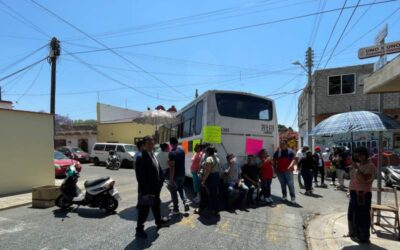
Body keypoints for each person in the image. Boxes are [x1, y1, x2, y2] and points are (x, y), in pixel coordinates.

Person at [135, 136, 169, 239]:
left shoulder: (153, 154)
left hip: (156, 188)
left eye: (152, 143)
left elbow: (158, 169)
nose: (151, 145)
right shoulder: (141, 157)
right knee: (144, 211)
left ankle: (158, 222)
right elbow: (140, 177)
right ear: (144, 145)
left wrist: (161, 180)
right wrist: (145, 193)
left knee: (156, 206)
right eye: (148, 143)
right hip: (147, 190)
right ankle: (139, 229)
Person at [347, 147, 376, 243]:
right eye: (356, 155)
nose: (358, 157)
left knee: (362, 215)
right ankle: (353, 233)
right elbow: (352, 179)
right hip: (353, 192)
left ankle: (363, 237)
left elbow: (365, 179)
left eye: (360, 155)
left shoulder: (370, 166)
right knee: (352, 214)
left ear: (365, 154)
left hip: (362, 194)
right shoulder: (359, 164)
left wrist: (357, 169)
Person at [196, 146, 221, 216]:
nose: (205, 152)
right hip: (216, 177)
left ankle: (201, 209)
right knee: (214, 195)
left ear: (208, 152)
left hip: (210, 178)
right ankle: (216, 210)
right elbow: (219, 170)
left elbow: (207, 171)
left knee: (203, 193)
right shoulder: (217, 158)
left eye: (206, 151)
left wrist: (203, 181)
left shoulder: (209, 159)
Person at [168, 137, 189, 214]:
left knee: (173, 191)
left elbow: (172, 167)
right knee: (181, 188)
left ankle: (176, 209)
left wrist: (170, 180)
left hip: (175, 175)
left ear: (170, 143)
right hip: (182, 174)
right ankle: (185, 201)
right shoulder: (182, 150)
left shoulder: (171, 153)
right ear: (177, 142)